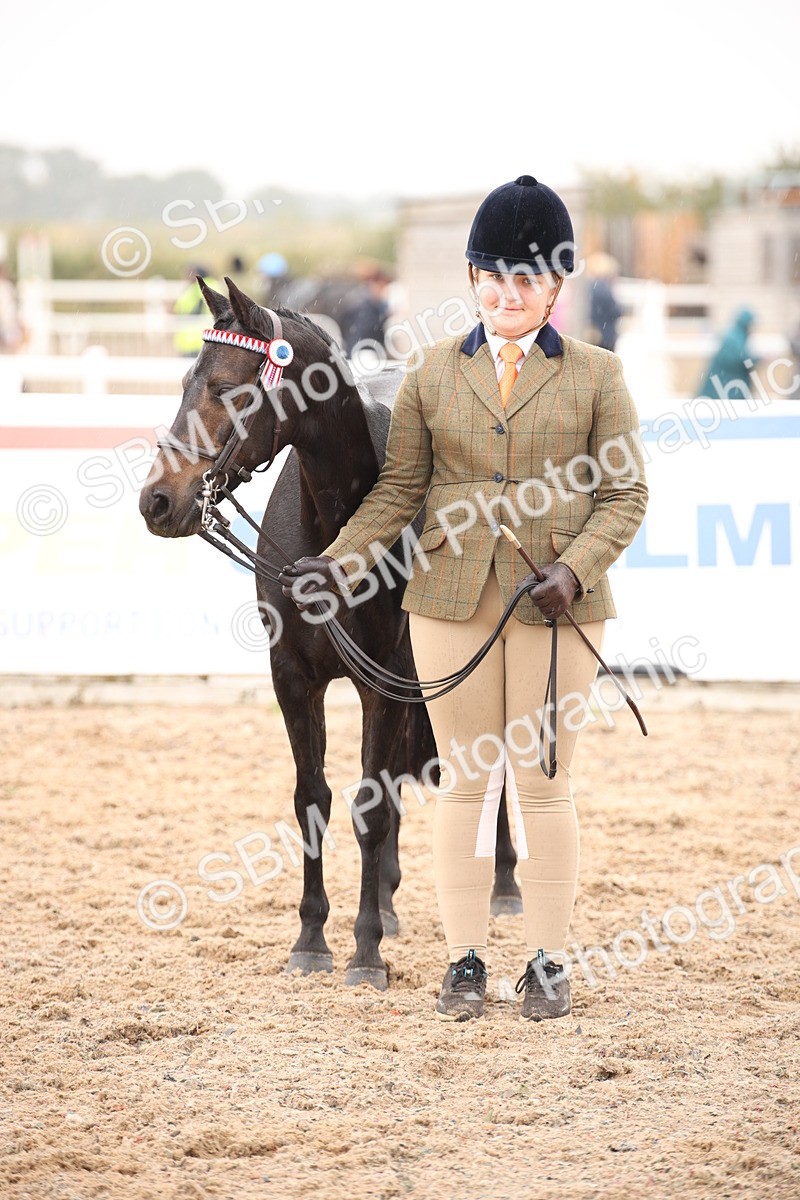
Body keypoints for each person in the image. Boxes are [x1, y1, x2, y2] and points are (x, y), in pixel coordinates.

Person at [279, 175, 648, 1023]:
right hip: (448, 601)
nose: (508, 294)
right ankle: (465, 960)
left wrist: (576, 568)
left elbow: (624, 494)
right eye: (494, 277)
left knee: (544, 784)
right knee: (465, 785)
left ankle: (547, 961)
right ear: (474, 279)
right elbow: (400, 490)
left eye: (527, 280)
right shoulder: (433, 372)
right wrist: (337, 561)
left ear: (555, 287)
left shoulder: (599, 375)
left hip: (557, 608)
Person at [697, 307, 757, 400]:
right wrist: (756, 359)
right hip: (725, 384)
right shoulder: (734, 337)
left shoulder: (736, 335)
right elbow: (738, 358)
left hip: (726, 384)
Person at [173, 265, 222, 357]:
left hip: (194, 340)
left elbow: (190, 309)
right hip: (206, 339)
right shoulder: (213, 285)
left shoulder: (199, 287)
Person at [584, 251, 623, 351]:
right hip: (604, 336)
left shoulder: (589, 287)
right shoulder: (602, 288)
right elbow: (616, 311)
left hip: (595, 335)